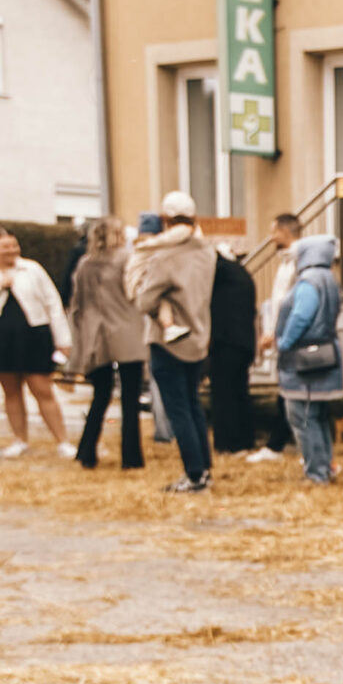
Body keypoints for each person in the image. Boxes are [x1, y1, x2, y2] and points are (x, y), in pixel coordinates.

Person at [130, 192, 219, 492]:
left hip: (169, 342)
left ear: (165, 220)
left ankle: (193, 475)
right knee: (193, 405)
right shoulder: (207, 252)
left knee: (178, 409)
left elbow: (144, 301)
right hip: (198, 336)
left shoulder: (166, 256)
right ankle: (204, 470)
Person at [0, 228, 74, 458]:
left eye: (14, 245)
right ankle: (20, 440)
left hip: (33, 335)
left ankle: (62, 441)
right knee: (11, 391)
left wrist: (63, 339)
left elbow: (52, 303)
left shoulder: (32, 268)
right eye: (5, 246)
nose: (12, 250)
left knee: (42, 388)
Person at [67, 219, 145, 471]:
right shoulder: (127, 258)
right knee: (130, 398)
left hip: (94, 334)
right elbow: (137, 292)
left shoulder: (85, 263)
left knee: (100, 395)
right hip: (126, 330)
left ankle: (86, 451)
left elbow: (76, 303)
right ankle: (131, 458)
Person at [273, 232, 343, 486]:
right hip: (325, 355)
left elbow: (301, 316)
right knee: (319, 416)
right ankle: (325, 467)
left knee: (302, 417)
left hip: (305, 361)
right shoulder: (328, 278)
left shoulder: (308, 281)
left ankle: (316, 473)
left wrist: (284, 342)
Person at [207, 235, 261, 455]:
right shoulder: (242, 274)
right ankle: (245, 440)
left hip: (226, 341)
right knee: (240, 392)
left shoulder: (220, 272)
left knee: (223, 394)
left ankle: (228, 443)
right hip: (244, 342)